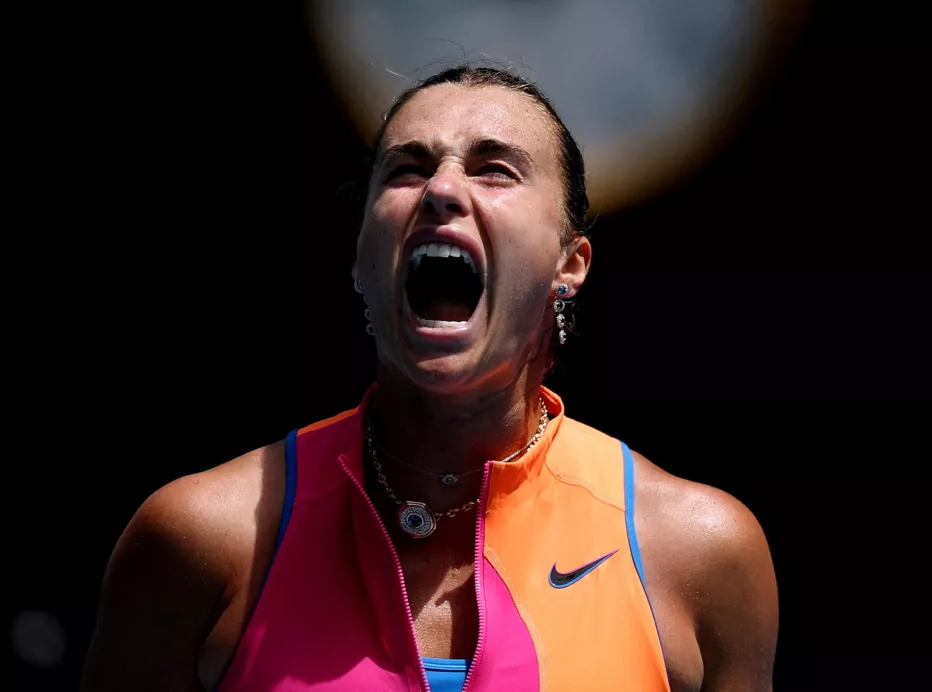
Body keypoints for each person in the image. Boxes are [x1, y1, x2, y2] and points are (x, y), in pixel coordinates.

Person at [82, 66, 778, 692]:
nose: (442, 188)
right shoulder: (199, 537)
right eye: (407, 170)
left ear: (571, 264)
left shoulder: (699, 553)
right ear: (361, 259)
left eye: (496, 169)